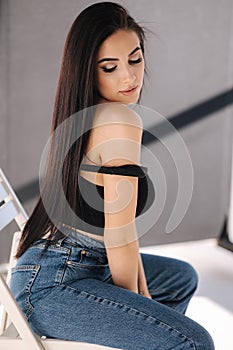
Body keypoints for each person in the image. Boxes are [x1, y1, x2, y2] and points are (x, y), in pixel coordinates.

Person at [10, 2, 215, 349]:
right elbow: (118, 237)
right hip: (52, 285)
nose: (129, 77)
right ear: (87, 72)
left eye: (135, 59)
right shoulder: (119, 121)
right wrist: (142, 308)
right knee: (193, 341)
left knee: (180, 279)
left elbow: (125, 235)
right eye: (110, 67)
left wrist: (145, 302)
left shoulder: (88, 112)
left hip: (70, 263)